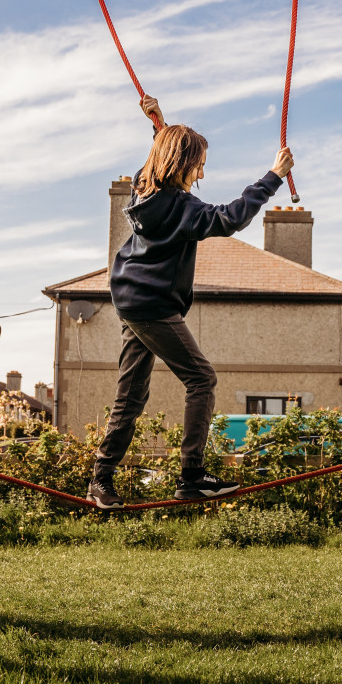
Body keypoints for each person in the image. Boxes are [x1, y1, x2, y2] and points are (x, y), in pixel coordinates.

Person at [87, 96, 295, 509]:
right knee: (202, 379)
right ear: (182, 164)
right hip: (152, 305)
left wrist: (158, 122)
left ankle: (101, 480)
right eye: (198, 164)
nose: (202, 173)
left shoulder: (143, 190)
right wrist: (273, 176)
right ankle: (191, 477)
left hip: (130, 298)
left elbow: (160, 152)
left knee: (131, 397)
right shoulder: (182, 208)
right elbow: (231, 217)